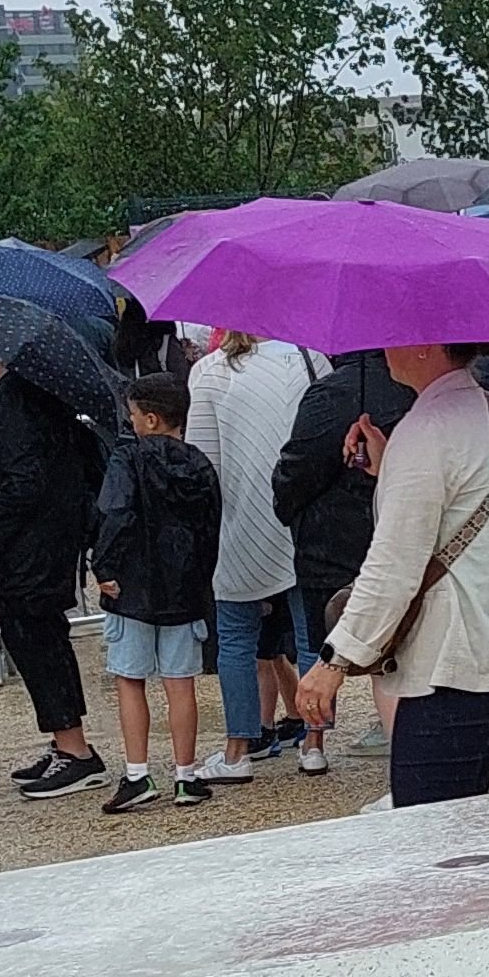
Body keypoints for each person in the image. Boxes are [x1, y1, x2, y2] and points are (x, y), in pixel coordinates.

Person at [293, 340, 489, 807]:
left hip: (454, 664)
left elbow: (392, 567)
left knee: (428, 824)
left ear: (426, 346)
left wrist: (334, 662)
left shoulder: (428, 430)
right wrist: (393, 463)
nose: (384, 348)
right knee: (458, 814)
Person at [0, 288, 116, 800]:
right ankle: (65, 743)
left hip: (27, 550)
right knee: (34, 642)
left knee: (40, 643)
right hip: (27, 548)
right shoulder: (14, 395)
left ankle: (76, 748)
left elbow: (27, 478)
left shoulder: (20, 397)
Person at [270, 346, 418, 773]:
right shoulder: (419, 390)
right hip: (397, 534)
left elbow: (299, 464)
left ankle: (314, 739)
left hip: (331, 539)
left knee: (322, 643)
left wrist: (287, 507)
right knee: (401, 649)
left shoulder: (330, 394)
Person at [183, 327, 318, 781]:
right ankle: (314, 742)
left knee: (236, 641)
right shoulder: (309, 357)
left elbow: (203, 462)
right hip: (301, 516)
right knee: (308, 635)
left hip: (237, 518)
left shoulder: (209, 372)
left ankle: (237, 750)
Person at [91, 370, 225, 815]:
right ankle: (185, 775)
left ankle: (137, 774)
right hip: (184, 587)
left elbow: (115, 513)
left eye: (132, 415)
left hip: (132, 585)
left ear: (149, 418)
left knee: (130, 679)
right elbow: (210, 529)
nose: (129, 422)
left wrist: (104, 565)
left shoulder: (127, 461)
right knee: (179, 682)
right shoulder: (199, 464)